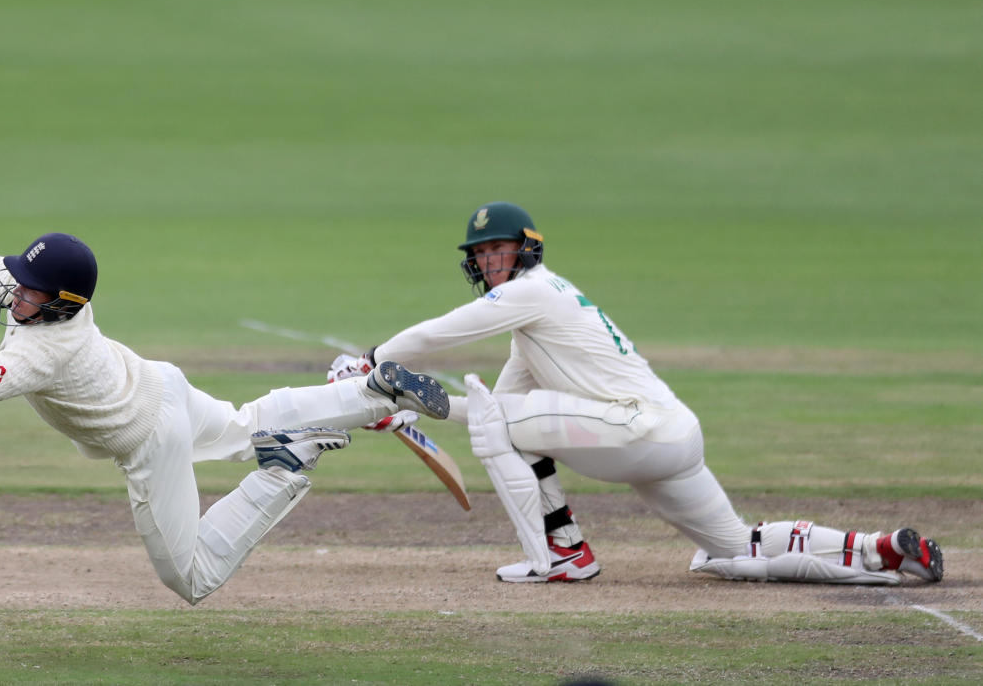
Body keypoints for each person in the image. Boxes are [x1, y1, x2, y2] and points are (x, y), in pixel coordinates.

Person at [330, 203, 944, 586]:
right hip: (670, 434)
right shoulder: (536, 325)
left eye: (499, 248)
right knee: (734, 551)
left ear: (526, 249)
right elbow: (489, 415)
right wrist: (402, 401)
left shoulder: (532, 292)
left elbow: (442, 334)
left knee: (505, 421)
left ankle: (562, 555)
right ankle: (879, 550)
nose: (490, 260)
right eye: (482, 253)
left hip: (638, 430)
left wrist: (374, 365)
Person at [0, 232, 450, 605]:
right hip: (160, 382)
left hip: (148, 436)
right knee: (246, 424)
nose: (14, 295)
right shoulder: (36, 299)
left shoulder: (44, 349)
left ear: (65, 303)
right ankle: (374, 391)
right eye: (20, 284)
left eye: (30, 292)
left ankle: (286, 467)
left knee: (190, 580)